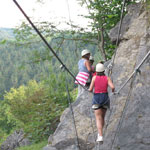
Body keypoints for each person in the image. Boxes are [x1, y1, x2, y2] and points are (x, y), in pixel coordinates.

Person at [88, 63, 115, 142]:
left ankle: (100, 135)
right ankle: (100, 133)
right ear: (103, 70)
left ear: (96, 71)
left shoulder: (94, 78)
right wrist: (113, 92)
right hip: (105, 98)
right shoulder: (107, 78)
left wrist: (89, 90)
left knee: (98, 118)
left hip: (97, 98)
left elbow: (90, 89)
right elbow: (112, 87)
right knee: (102, 117)